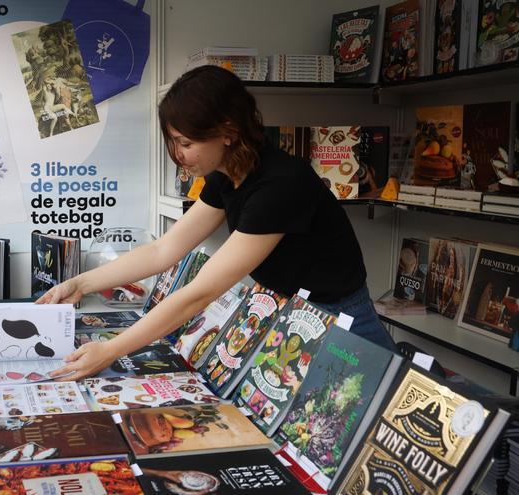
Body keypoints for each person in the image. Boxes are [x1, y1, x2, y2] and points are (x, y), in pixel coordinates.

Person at [41, 65, 396, 381]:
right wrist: (80, 283)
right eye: (173, 141)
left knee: (371, 407)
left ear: (228, 131)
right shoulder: (227, 174)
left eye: (186, 142)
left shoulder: (281, 184)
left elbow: (200, 293)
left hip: (338, 320)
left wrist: (111, 350)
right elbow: (164, 249)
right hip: (289, 314)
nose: (178, 155)